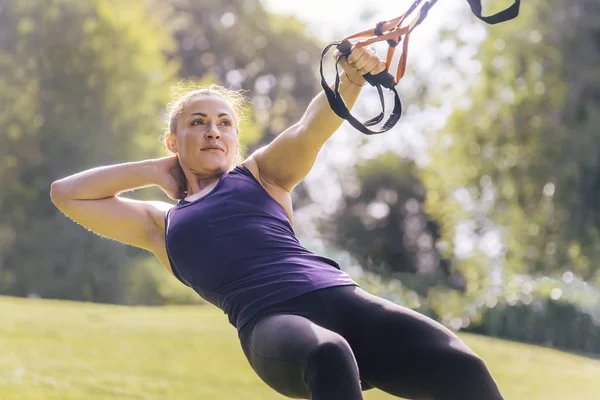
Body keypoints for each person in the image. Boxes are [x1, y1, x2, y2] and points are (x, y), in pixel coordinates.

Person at [50, 46, 504, 400]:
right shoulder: (160, 224)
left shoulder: (260, 175)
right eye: (197, 122)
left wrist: (351, 78)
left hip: (343, 297)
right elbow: (66, 193)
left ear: (234, 139)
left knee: (461, 366)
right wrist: (153, 170)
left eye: (224, 123)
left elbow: (311, 128)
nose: (213, 130)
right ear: (173, 139)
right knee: (329, 353)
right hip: (274, 323)